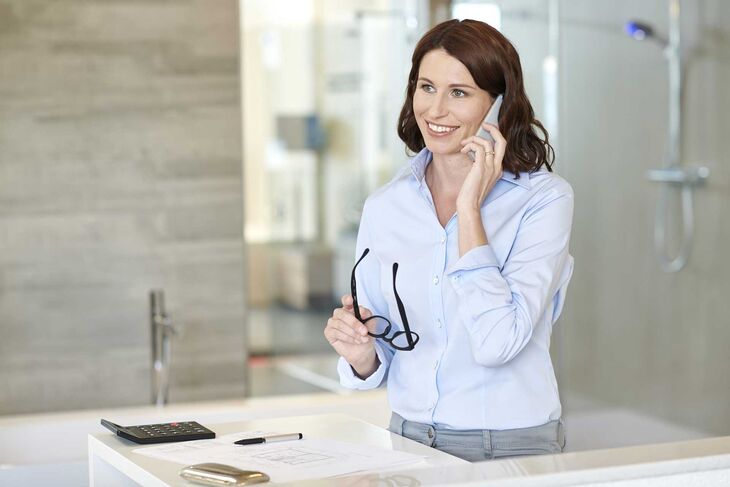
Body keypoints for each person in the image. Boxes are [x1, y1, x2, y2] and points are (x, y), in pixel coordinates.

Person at [324, 18, 574, 462]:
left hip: (510, 447)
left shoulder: (544, 201)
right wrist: (361, 353)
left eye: (459, 92)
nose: (435, 110)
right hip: (407, 440)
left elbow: (498, 343)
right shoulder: (385, 206)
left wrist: (469, 209)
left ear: (498, 106)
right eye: (426, 87)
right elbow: (383, 349)